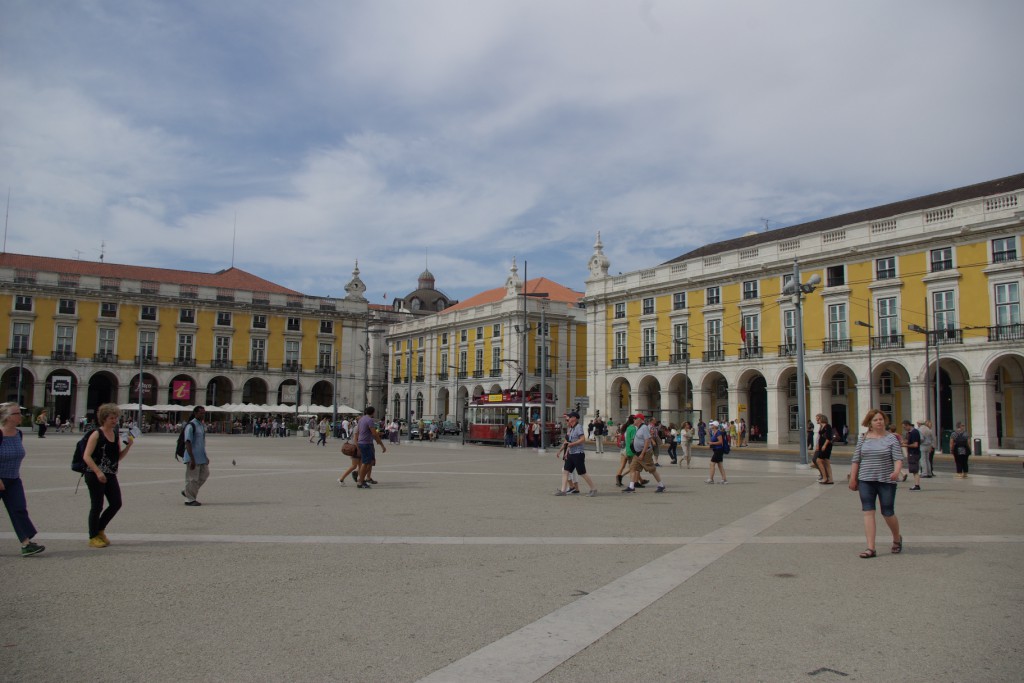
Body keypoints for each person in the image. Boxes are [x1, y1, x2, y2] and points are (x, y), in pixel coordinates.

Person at [849, 409, 904, 558]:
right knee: (868, 512)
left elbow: (898, 458)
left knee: (887, 511)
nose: (879, 422)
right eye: (875, 420)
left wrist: (896, 471)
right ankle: (870, 548)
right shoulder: (863, 438)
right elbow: (856, 460)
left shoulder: (892, 438)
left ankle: (897, 538)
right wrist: (853, 478)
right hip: (866, 479)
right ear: (870, 424)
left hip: (886, 480)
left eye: (881, 419)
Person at [82, 402, 135, 547]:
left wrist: (128, 446)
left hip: (110, 474)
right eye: (112, 418)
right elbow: (86, 456)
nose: (115, 421)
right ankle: (93, 536)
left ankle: (100, 529)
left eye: (116, 418)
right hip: (94, 474)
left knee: (116, 503)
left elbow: (117, 457)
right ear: (104, 418)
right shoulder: (96, 434)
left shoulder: (115, 434)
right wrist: (98, 472)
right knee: (97, 506)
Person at [0, 402, 45, 556]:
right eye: (17, 413)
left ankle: (26, 544)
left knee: (19, 509)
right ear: (7, 417)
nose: (20, 416)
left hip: (13, 479)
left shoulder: (19, 433)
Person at [555, 412, 597, 496]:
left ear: (574, 418)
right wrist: (562, 450)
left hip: (578, 453)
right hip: (571, 453)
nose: (568, 419)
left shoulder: (578, 427)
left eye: (570, 417)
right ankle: (563, 491)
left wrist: (572, 444)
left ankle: (593, 489)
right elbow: (567, 441)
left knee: (582, 472)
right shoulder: (571, 428)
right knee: (566, 471)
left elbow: (582, 439)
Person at [624, 414, 666, 493]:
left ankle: (661, 485)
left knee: (652, 469)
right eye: (634, 418)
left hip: (645, 453)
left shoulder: (644, 428)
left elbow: (647, 441)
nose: (634, 420)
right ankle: (631, 486)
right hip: (637, 453)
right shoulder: (638, 428)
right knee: (633, 468)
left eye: (636, 418)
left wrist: (642, 453)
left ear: (640, 419)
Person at [181, 406, 209, 506]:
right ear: (195, 413)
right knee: (192, 478)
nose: (203, 415)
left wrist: (205, 456)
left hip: (201, 457)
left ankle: (187, 491)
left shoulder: (201, 425)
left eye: (204, 413)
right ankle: (189, 499)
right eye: (201, 413)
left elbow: (201, 442)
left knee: (205, 474)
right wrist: (192, 459)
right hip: (192, 457)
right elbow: (187, 442)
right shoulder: (191, 425)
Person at [356, 406, 387, 489]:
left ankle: (363, 478)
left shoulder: (361, 419)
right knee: (366, 463)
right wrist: (381, 445)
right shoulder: (370, 420)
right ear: (373, 412)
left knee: (370, 462)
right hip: (366, 443)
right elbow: (374, 433)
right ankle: (360, 481)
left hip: (362, 442)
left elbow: (362, 431)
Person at [814, 413, 835, 485]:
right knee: (826, 462)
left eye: (818, 418)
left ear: (821, 419)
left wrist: (824, 446)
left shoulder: (827, 426)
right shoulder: (821, 427)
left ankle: (825, 477)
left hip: (826, 446)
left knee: (818, 460)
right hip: (822, 446)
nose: (816, 420)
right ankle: (830, 479)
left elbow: (829, 437)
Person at [902, 420, 922, 491]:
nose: (904, 429)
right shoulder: (911, 432)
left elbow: (915, 444)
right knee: (914, 470)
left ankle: (917, 485)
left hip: (914, 453)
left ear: (908, 425)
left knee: (915, 470)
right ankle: (916, 484)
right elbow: (910, 441)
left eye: (904, 427)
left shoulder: (914, 432)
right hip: (913, 453)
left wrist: (905, 445)